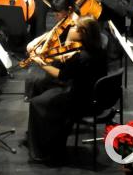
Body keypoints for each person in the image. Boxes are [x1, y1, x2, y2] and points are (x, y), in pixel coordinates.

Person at [25, 16, 107, 165]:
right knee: (43, 88)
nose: (71, 28)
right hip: (91, 93)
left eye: (75, 27)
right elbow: (73, 66)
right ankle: (43, 138)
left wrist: (41, 62)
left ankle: (42, 151)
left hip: (80, 100)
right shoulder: (97, 49)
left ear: (83, 33)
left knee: (37, 103)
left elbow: (61, 76)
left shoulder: (81, 57)